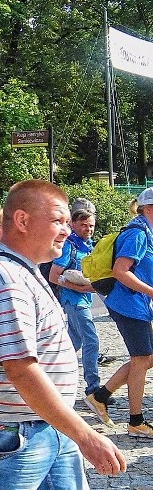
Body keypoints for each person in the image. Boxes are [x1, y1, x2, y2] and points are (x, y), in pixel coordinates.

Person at [0, 180, 126, 490]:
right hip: (12, 435)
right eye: (57, 221)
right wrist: (87, 435)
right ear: (22, 220)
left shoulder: (22, 268)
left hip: (45, 425)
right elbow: (21, 369)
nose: (65, 230)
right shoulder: (6, 280)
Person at [87, 187, 153, 436]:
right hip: (128, 305)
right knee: (141, 360)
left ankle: (100, 396)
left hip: (136, 305)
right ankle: (136, 421)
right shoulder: (137, 233)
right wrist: (151, 292)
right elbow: (120, 270)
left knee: (148, 358)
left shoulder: (146, 230)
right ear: (148, 208)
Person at [48, 207, 101, 399]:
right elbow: (54, 276)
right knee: (91, 340)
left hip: (84, 298)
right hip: (73, 300)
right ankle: (93, 389)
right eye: (84, 225)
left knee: (71, 343)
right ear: (73, 225)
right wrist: (78, 287)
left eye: (91, 225)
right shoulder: (69, 246)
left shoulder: (88, 246)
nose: (88, 229)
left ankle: (48, 377)